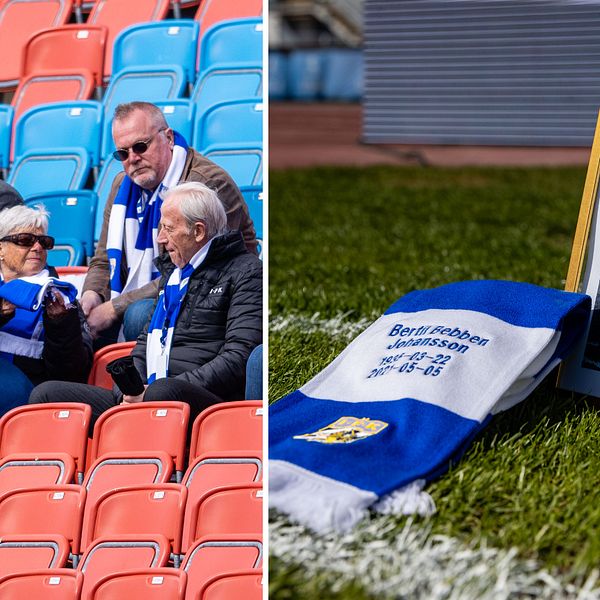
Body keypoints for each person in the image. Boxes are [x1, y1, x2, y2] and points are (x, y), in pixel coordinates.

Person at [30, 182, 263, 425]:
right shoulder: (173, 275)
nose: (161, 238)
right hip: (151, 393)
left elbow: (238, 357)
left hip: (208, 404)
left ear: (199, 232)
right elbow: (144, 345)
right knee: (45, 395)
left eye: (168, 229)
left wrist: (154, 393)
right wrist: (130, 391)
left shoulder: (246, 271)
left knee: (162, 392)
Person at [81, 101, 258, 344]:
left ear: (169, 138)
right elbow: (103, 260)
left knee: (137, 315)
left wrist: (115, 308)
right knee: (75, 320)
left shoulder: (205, 185)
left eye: (140, 146)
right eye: (123, 153)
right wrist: (91, 296)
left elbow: (194, 271)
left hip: (210, 296)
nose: (133, 158)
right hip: (151, 293)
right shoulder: (120, 186)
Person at [0, 205, 93, 415]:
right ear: (1, 249)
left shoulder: (61, 296)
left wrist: (60, 324)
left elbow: (72, 375)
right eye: (25, 240)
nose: (37, 247)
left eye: (43, 242)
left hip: (27, 394)